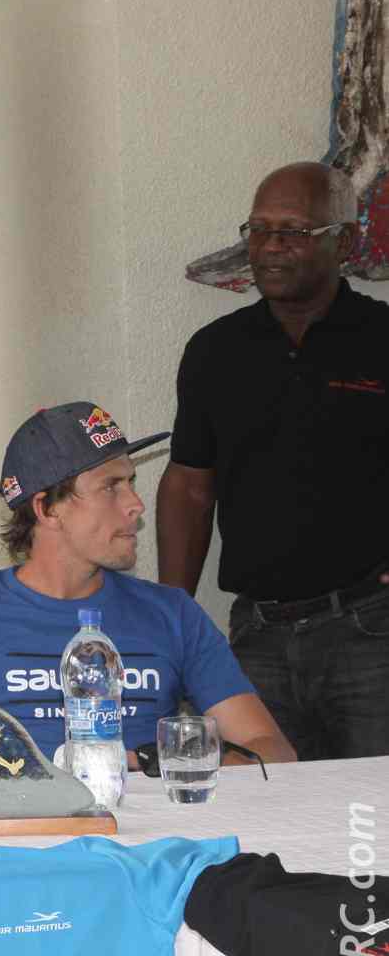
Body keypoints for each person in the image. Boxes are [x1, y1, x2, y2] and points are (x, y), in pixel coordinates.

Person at [0, 402, 294, 781]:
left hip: (159, 832)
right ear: (47, 508)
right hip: (15, 833)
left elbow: (272, 751)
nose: (136, 504)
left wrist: (169, 763)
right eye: (111, 486)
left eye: (130, 482)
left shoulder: (173, 612)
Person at [157, 162, 389, 760]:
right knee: (267, 806)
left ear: (343, 240)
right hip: (257, 639)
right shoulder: (215, 351)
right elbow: (189, 487)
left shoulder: (381, 337)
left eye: (293, 231)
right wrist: (171, 616)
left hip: (370, 631)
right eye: (258, 229)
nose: (269, 247)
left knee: (376, 807)